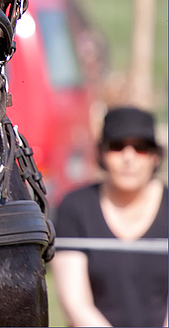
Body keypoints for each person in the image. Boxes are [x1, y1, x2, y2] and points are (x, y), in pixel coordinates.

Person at [52, 106, 168, 327]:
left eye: (140, 147)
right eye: (117, 146)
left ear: (156, 156)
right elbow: (76, 304)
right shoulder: (74, 208)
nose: (128, 157)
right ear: (101, 153)